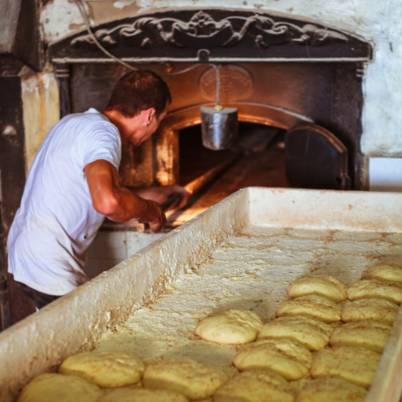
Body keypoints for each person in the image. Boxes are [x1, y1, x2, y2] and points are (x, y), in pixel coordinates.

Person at [7, 69, 187, 323]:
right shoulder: (104, 134)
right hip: (49, 271)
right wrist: (151, 211)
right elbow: (108, 201)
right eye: (160, 120)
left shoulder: (74, 122)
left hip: (22, 261)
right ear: (149, 115)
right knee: (78, 355)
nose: (155, 130)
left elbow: (88, 190)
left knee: (23, 356)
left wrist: (155, 194)